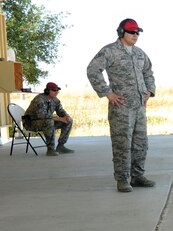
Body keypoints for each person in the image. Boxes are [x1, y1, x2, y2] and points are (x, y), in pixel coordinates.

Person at [86, 18, 156, 193]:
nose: (135, 35)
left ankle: (137, 176)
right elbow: (93, 70)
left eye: (137, 32)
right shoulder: (110, 51)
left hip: (139, 107)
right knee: (122, 144)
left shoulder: (139, 53)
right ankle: (123, 180)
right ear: (121, 32)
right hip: (121, 108)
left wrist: (149, 91)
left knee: (141, 143)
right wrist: (107, 92)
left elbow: (148, 72)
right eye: (132, 32)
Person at [23, 82, 75, 156]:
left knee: (68, 121)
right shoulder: (39, 99)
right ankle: (50, 149)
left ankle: (61, 146)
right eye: (54, 90)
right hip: (30, 123)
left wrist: (66, 116)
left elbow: (60, 111)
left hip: (45, 121)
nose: (56, 92)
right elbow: (42, 115)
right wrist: (60, 119)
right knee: (49, 122)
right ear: (47, 91)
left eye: (57, 90)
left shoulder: (55, 100)